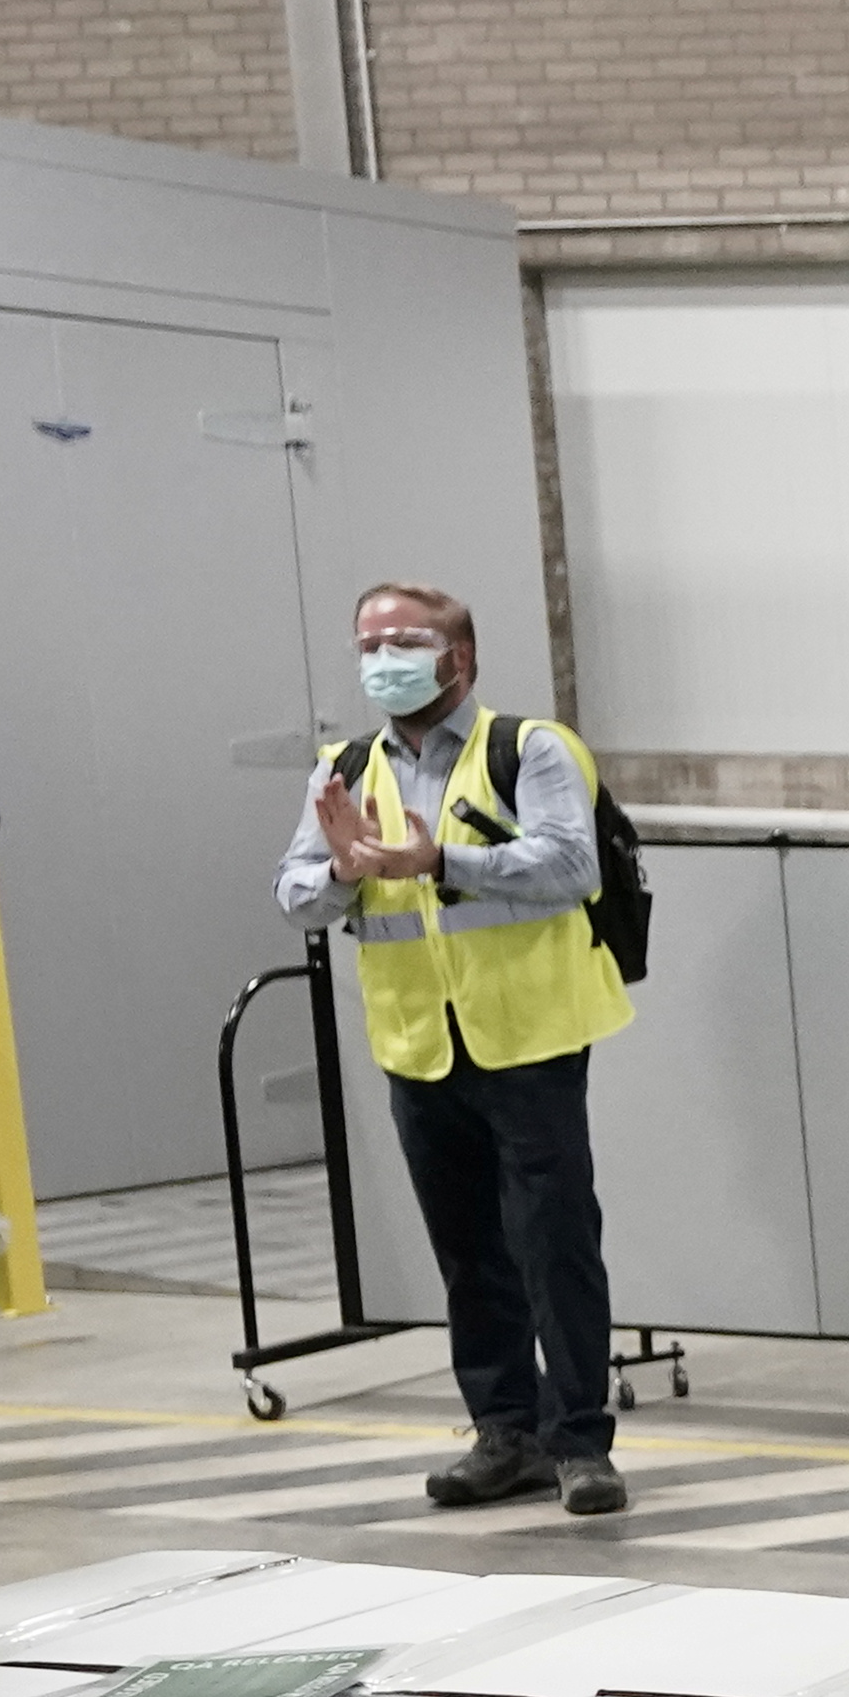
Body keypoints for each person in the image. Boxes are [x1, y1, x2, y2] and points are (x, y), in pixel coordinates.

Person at [276, 576, 633, 1517]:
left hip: (531, 1039)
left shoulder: (531, 750)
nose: (381, 661)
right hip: (417, 1047)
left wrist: (442, 861)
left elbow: (568, 864)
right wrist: (347, 877)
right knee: (468, 1251)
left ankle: (581, 1442)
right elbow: (293, 890)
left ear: (459, 657)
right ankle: (503, 1429)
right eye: (368, 645)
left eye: (403, 642)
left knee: (552, 1241)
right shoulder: (344, 769)